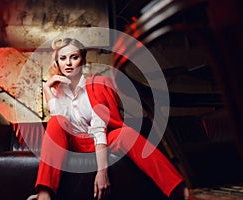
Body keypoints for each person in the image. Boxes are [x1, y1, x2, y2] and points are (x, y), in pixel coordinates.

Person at [34, 37, 189, 200]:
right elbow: (60, 123)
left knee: (127, 134)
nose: (69, 63)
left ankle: (181, 191)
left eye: (74, 57)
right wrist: (48, 90)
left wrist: (102, 172)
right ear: (57, 63)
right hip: (73, 143)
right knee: (55, 122)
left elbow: (99, 128)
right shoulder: (56, 91)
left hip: (102, 140)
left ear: (83, 60)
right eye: (63, 58)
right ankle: (44, 195)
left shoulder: (98, 85)